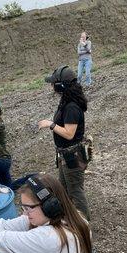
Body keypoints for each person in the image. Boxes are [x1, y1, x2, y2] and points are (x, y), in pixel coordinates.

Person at [39, 65, 91, 220]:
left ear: (61, 85)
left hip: (72, 157)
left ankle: (84, 224)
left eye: (53, 83)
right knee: (63, 189)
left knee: (75, 190)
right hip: (66, 155)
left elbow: (69, 134)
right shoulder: (67, 101)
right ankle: (66, 217)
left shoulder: (72, 107)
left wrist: (51, 124)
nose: (51, 85)